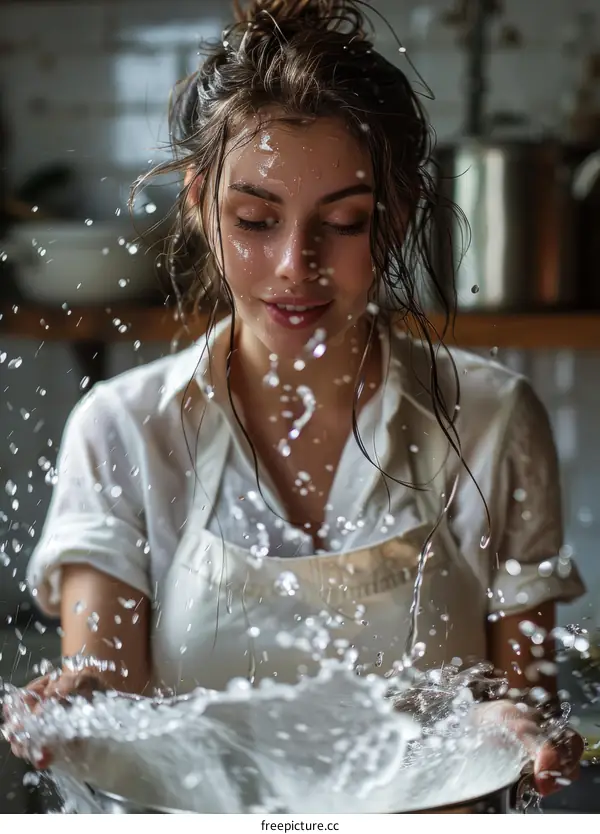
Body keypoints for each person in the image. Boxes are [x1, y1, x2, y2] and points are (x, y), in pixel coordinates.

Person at [7, 0, 585, 799]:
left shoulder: (490, 420)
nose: (294, 264)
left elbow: (519, 695)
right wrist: (81, 701)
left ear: (400, 214)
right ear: (199, 202)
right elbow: (112, 687)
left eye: (344, 223)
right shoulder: (121, 429)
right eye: (255, 219)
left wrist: (514, 724)